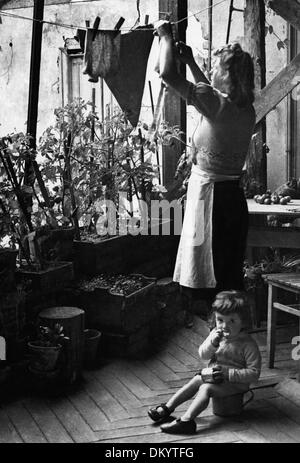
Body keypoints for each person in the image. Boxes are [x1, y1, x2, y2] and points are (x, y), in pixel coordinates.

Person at [154, 21, 256, 324]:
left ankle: (221, 348)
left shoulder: (217, 105)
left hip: (214, 202)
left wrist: (166, 37)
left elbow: (167, 75)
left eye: (215, 67)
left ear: (227, 74)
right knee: (227, 277)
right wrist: (193, 63)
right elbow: (211, 96)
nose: (211, 71)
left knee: (212, 282)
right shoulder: (245, 107)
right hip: (232, 200)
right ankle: (231, 344)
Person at [148, 290, 261, 434]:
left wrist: (228, 373)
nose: (224, 326)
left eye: (232, 321)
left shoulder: (247, 344)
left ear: (244, 321)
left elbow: (254, 373)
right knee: (196, 380)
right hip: (215, 376)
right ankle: (167, 408)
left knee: (205, 388)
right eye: (220, 320)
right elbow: (203, 355)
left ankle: (187, 421)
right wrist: (213, 344)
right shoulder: (216, 333)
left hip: (236, 384)